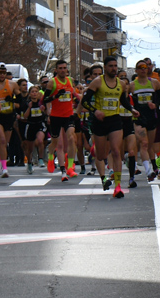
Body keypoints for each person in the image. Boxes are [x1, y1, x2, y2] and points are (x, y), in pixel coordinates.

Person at [79, 56, 130, 198]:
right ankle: (103, 177)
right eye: (111, 66)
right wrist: (95, 111)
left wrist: (132, 109)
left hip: (115, 120)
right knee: (101, 155)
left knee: (116, 151)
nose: (114, 68)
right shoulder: (97, 82)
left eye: (115, 66)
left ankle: (118, 186)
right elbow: (84, 101)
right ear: (105, 68)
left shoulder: (121, 84)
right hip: (100, 121)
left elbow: (123, 100)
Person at [43, 60, 80, 180]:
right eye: (60, 68)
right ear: (56, 70)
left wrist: (79, 100)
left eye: (65, 68)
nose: (63, 70)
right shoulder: (52, 83)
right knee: (55, 142)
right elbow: (44, 100)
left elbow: (74, 95)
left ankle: (69, 168)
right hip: (56, 117)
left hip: (68, 116)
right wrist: (56, 96)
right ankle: (50, 156)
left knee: (71, 138)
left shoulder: (70, 81)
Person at [18, 85, 47, 174]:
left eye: (36, 91)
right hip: (30, 125)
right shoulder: (26, 103)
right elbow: (25, 117)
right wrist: (29, 108)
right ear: (30, 94)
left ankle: (40, 159)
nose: (34, 93)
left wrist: (43, 110)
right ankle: (29, 163)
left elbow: (46, 113)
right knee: (30, 148)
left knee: (40, 140)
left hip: (40, 124)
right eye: (32, 92)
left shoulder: (41, 103)